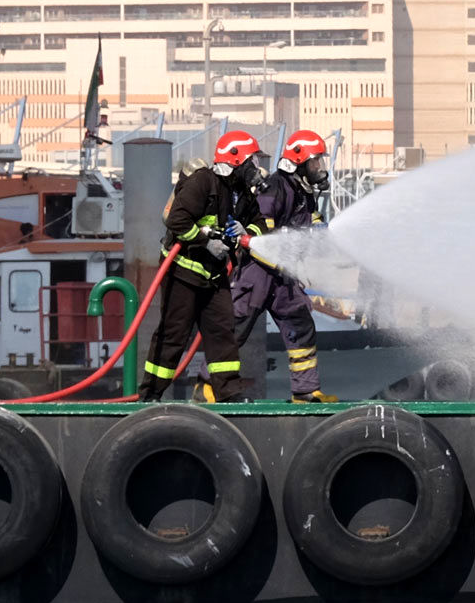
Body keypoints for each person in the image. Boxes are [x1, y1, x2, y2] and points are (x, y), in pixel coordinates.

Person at [139, 130, 261, 402]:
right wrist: (206, 243)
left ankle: (228, 393)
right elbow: (178, 221)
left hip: (214, 275)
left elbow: (259, 225)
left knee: (222, 332)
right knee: (173, 334)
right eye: (251, 161)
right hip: (183, 271)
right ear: (235, 160)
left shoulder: (241, 194)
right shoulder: (203, 182)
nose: (255, 168)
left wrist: (246, 231)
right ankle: (151, 395)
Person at [230, 129, 339, 403]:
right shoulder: (275, 187)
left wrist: (318, 228)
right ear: (298, 162)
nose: (319, 168)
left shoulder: (304, 191)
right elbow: (261, 234)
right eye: (315, 162)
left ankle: (305, 390)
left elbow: (309, 218)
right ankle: (210, 386)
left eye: (320, 162)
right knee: (235, 328)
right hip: (258, 271)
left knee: (301, 324)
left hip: (284, 275)